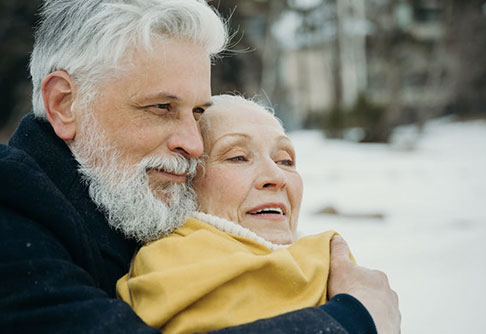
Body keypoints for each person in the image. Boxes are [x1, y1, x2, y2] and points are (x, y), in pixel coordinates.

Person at [0, 1, 400, 334]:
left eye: (196, 112)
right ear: (64, 104)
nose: (193, 144)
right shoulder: (11, 218)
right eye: (161, 107)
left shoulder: (138, 208)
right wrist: (351, 319)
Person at [116, 95, 362, 333]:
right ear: (184, 180)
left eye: (285, 161)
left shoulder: (330, 264)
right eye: (238, 157)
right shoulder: (168, 268)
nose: (276, 177)